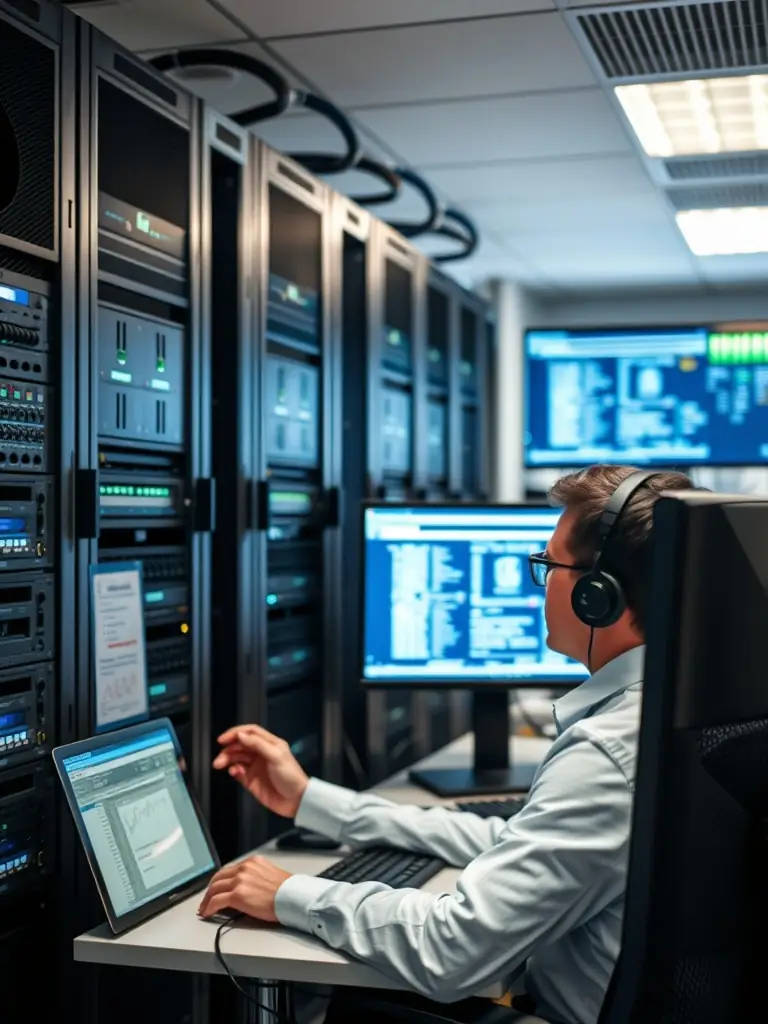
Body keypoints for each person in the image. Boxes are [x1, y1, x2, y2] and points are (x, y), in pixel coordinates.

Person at [199, 464, 697, 1024]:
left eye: (548, 564)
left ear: (596, 596)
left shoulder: (607, 753)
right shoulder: (672, 709)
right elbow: (510, 840)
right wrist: (314, 801)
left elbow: (451, 950)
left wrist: (292, 894)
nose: (542, 580)